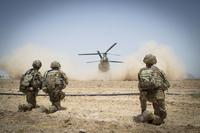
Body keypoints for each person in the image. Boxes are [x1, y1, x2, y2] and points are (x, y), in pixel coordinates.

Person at [137, 54, 170, 125]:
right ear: (154, 61)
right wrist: (161, 89)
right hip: (157, 96)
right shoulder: (159, 71)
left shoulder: (141, 71)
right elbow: (167, 84)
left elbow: (140, 84)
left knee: (144, 108)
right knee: (161, 116)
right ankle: (154, 117)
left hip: (144, 96)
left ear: (145, 61)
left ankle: (145, 114)